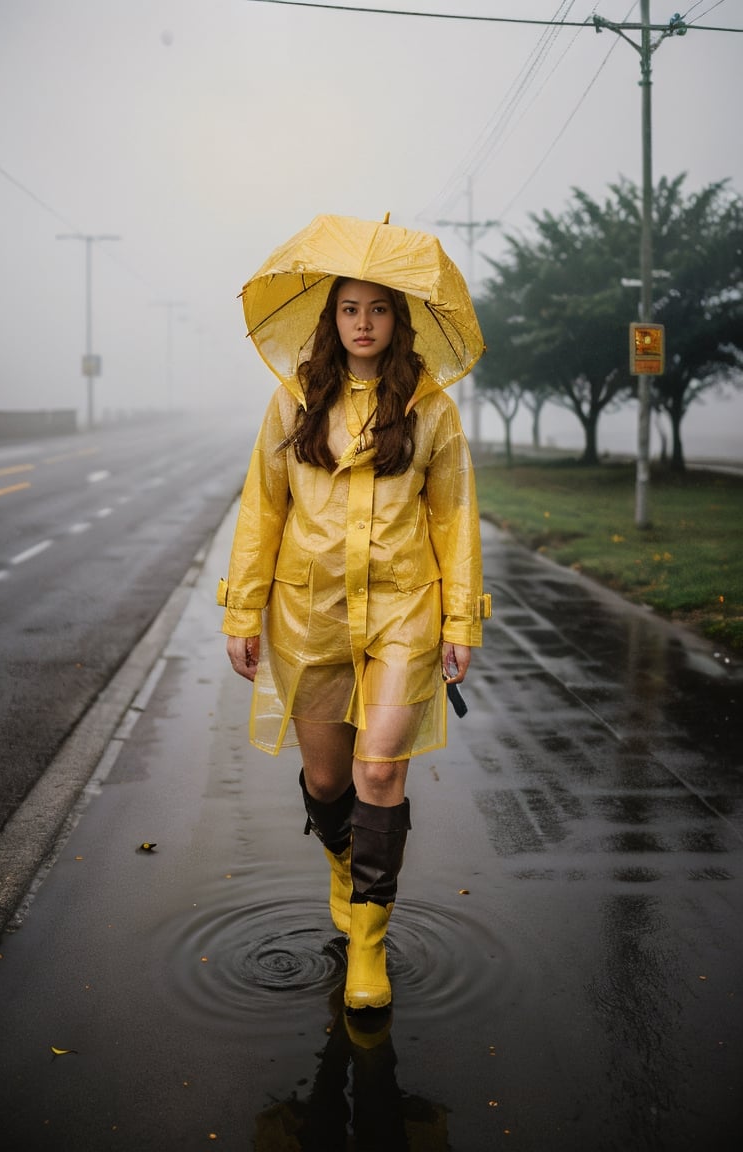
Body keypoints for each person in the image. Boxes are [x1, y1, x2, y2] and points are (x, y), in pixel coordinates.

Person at [219, 275, 487, 1012]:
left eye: (376, 310)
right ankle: (343, 860)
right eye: (348, 309)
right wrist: (243, 609)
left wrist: (461, 622)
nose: (362, 323)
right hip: (312, 618)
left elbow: (454, 519)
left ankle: (369, 945)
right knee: (331, 783)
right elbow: (262, 509)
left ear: (398, 321)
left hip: (406, 613)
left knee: (378, 775)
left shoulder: (431, 407)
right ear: (330, 319)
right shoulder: (294, 401)